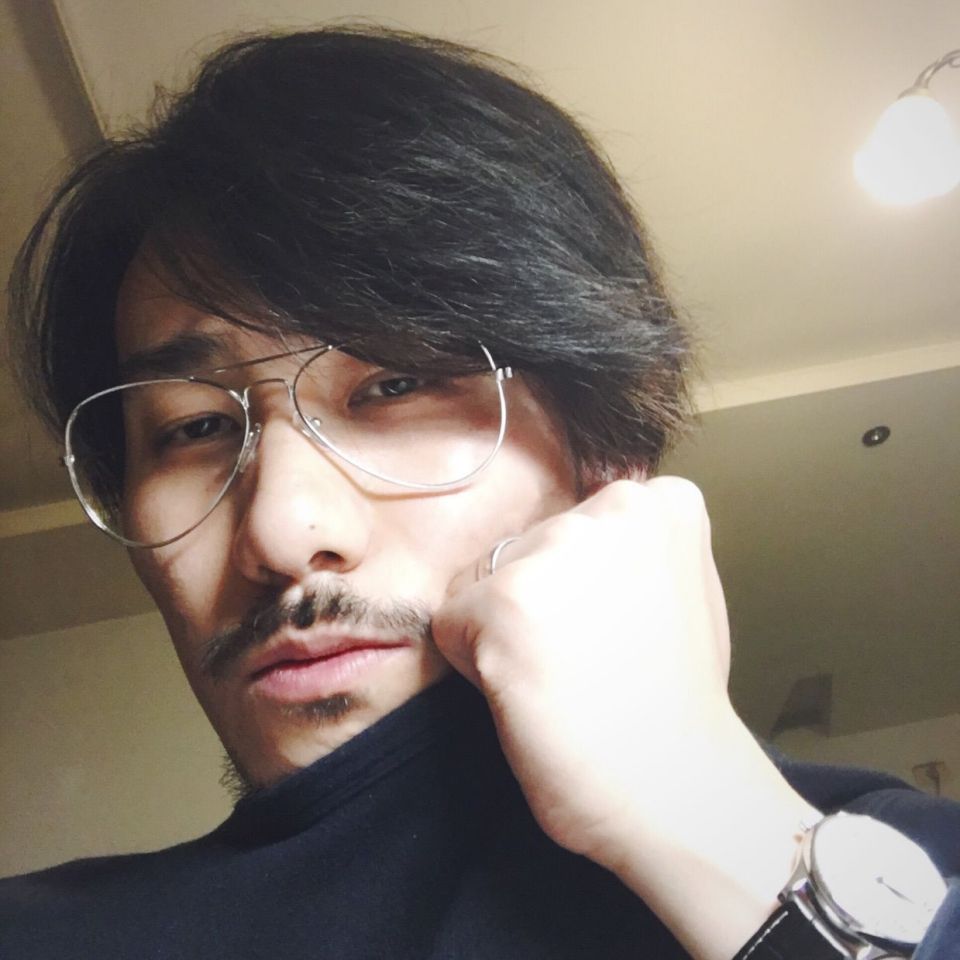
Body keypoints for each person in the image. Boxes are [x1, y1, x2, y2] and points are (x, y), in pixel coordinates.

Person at [2, 26, 956, 960]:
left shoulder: (908, 876)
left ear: (606, 450)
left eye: (395, 384)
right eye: (193, 428)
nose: (283, 531)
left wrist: (717, 826)